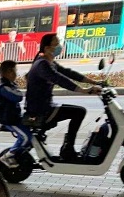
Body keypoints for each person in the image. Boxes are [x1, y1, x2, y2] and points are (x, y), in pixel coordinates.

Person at [25, 33, 102, 161]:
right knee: (79, 112)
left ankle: (67, 148)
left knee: (78, 112)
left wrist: (94, 82)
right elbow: (60, 79)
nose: (59, 47)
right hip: (40, 110)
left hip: (45, 106)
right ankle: (68, 149)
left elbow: (68, 73)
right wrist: (84, 90)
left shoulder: (49, 62)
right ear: (47, 48)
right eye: (56, 44)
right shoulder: (42, 65)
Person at [0, 60, 32, 168]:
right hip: (9, 120)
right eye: (14, 71)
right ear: (8, 72)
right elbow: (17, 96)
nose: (16, 73)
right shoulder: (4, 87)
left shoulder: (10, 85)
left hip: (14, 117)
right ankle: (8, 156)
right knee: (26, 137)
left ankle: (22, 151)